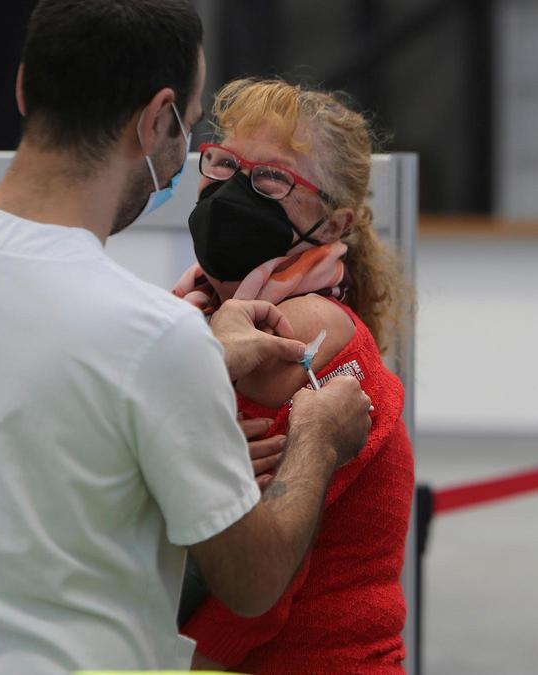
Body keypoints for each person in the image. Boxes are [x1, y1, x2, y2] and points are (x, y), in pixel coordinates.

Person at [0, 2, 372, 673]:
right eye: (193, 135)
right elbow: (252, 581)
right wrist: (316, 436)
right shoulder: (154, 336)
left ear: (24, 86)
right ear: (157, 120)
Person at [172, 78, 415, 673]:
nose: (234, 191)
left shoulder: (299, 329)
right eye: (225, 163)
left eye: (272, 178)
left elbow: (251, 588)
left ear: (333, 226)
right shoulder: (194, 313)